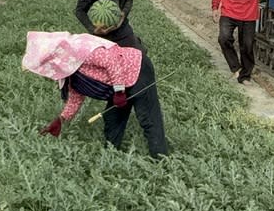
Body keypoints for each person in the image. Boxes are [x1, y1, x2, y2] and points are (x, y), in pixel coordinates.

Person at [23, 31, 168, 158]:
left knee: (147, 117)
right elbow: (75, 100)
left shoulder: (81, 49)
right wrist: (60, 120)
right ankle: (112, 156)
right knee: (112, 120)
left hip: (137, 69)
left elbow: (112, 62)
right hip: (120, 85)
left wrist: (118, 92)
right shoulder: (70, 69)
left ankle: (161, 160)